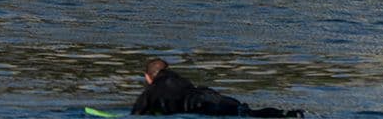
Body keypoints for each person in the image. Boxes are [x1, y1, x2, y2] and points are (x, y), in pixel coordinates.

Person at [129, 58, 302, 117]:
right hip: (215, 98)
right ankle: (283, 114)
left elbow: (135, 114)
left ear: (148, 77)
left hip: (203, 108)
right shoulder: (182, 81)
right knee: (246, 112)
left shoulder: (152, 90)